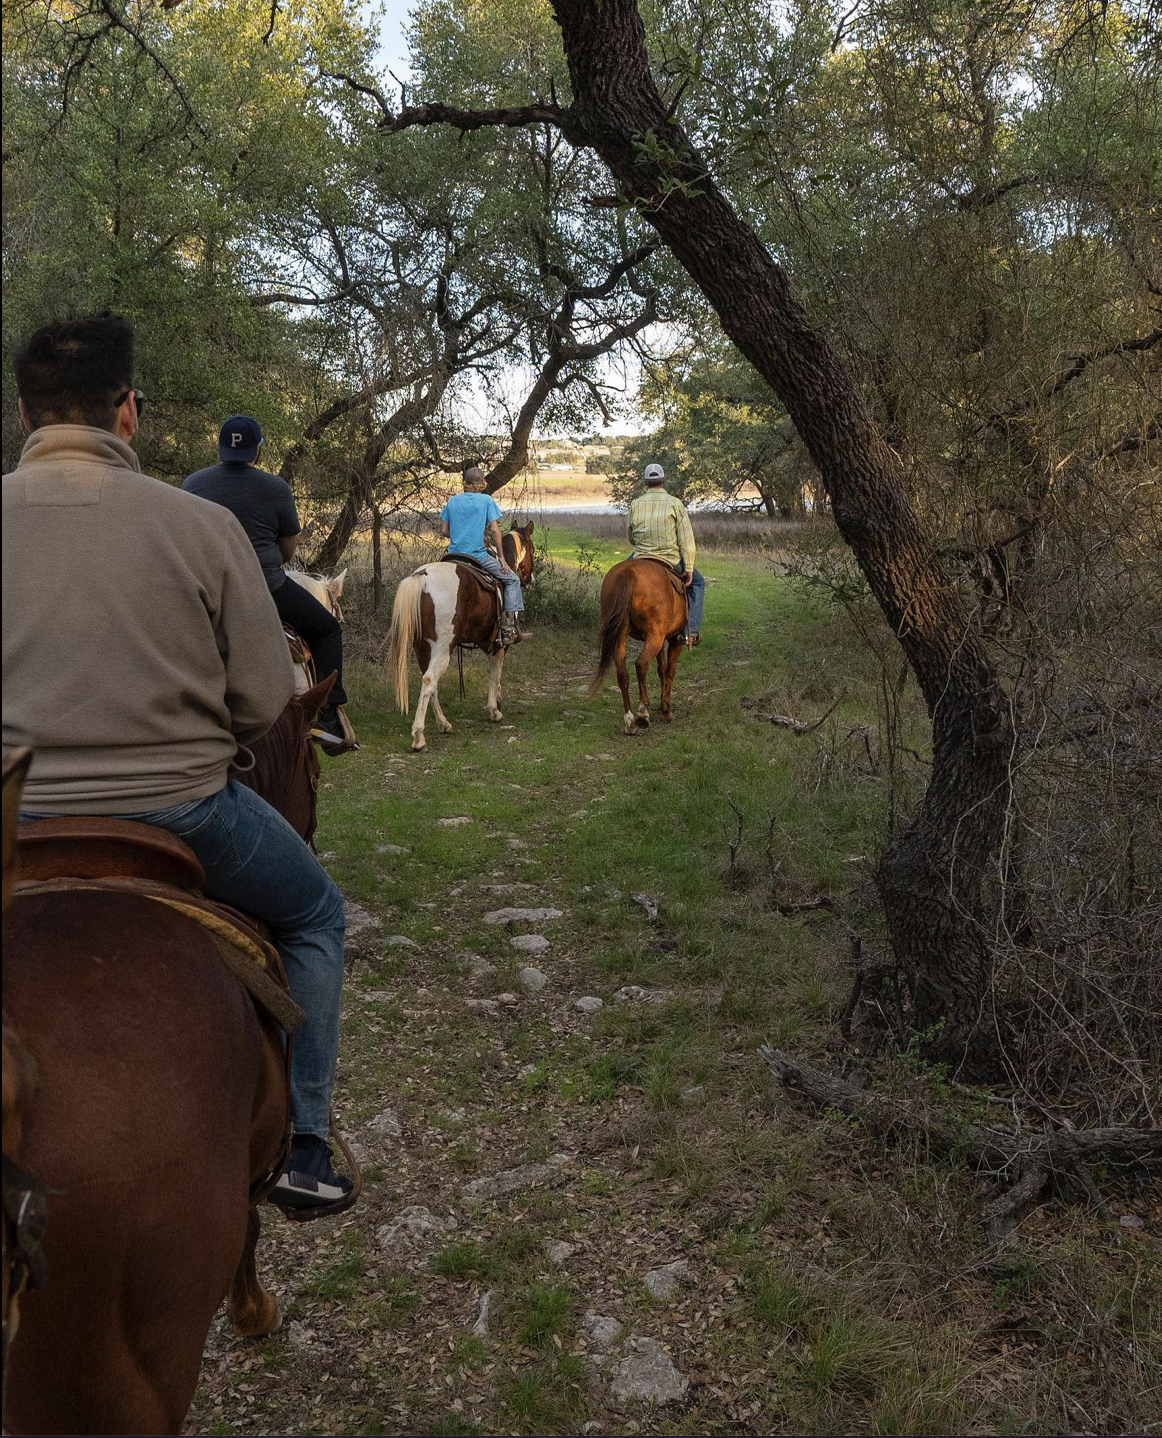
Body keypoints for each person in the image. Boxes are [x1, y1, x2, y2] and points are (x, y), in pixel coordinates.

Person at [2, 313, 352, 1210]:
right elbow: (269, 697)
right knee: (315, 915)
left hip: (12, 820)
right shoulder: (202, 527)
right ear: (128, 412)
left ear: (22, 415)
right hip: (183, 812)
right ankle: (307, 1144)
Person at [183, 417, 352, 750]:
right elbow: (288, 550)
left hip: (205, 590)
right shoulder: (276, 488)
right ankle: (328, 716)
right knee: (327, 629)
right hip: (266, 590)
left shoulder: (193, 484)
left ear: (220, 448)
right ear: (257, 450)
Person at [440, 465, 532, 644]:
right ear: (481, 482)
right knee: (512, 579)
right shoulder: (486, 501)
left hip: (452, 556)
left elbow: (443, 530)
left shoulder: (453, 501)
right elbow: (495, 531)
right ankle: (508, 628)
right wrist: (502, 559)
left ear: (465, 483)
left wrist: (460, 535)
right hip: (477, 556)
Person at [627, 462, 706, 645]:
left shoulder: (635, 504)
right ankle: (691, 631)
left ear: (645, 482)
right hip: (669, 559)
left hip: (640, 556)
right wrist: (689, 568)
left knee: (618, 575)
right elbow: (686, 541)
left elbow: (630, 536)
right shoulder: (675, 504)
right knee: (698, 584)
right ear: (663, 480)